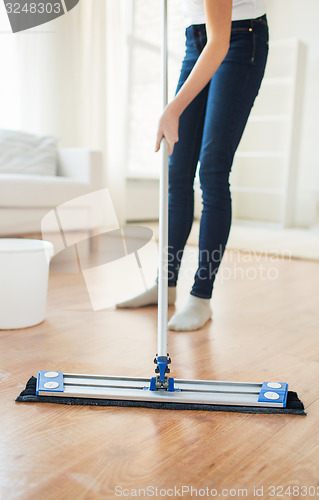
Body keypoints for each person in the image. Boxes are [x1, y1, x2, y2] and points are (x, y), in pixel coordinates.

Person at [116, 0, 269, 331]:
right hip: (196, 40)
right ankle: (165, 285)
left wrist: (173, 108)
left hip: (239, 38)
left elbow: (220, 42)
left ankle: (201, 297)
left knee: (212, 171)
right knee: (177, 172)